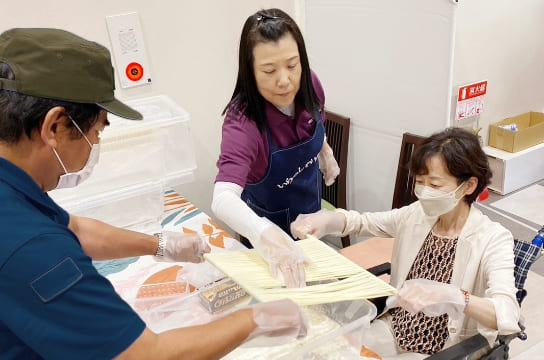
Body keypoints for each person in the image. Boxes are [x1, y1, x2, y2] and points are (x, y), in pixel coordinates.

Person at [0, 27, 307, 360]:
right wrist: (254, 319)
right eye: (96, 131)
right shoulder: (32, 246)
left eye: (292, 65)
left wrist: (160, 244)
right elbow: (144, 355)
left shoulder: (15, 188)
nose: (96, 146)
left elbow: (74, 229)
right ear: (55, 127)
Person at [290, 127, 521, 358]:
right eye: (420, 182)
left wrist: (456, 297)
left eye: (435, 185)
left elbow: (507, 313)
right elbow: (363, 222)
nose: (423, 192)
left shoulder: (493, 238)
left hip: (443, 350)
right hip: (393, 329)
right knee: (321, 348)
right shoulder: (417, 215)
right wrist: (328, 219)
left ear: (469, 186)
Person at [211, 8, 340, 288]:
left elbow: (317, 122)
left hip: (310, 222)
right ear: (250, 71)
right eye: (269, 70)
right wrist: (263, 233)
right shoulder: (242, 121)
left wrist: (325, 151)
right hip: (266, 240)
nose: (284, 80)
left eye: (292, 65)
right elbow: (222, 198)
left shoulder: (310, 85)